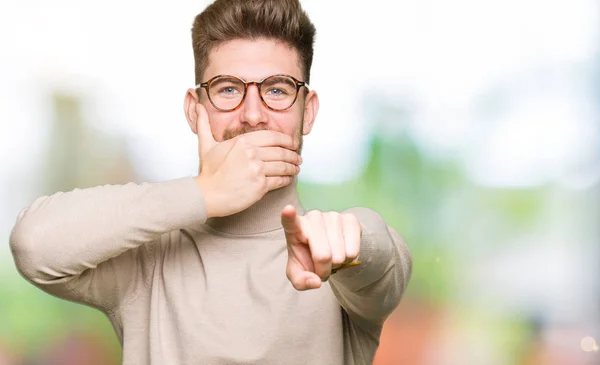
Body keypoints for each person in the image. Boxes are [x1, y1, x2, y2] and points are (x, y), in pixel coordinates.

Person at [9, 0, 412, 364]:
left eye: (277, 89)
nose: (253, 114)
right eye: (228, 89)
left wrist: (353, 241)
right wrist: (203, 192)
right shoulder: (149, 261)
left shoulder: (334, 254)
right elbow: (34, 243)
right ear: (194, 110)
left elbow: (380, 256)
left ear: (307, 112)